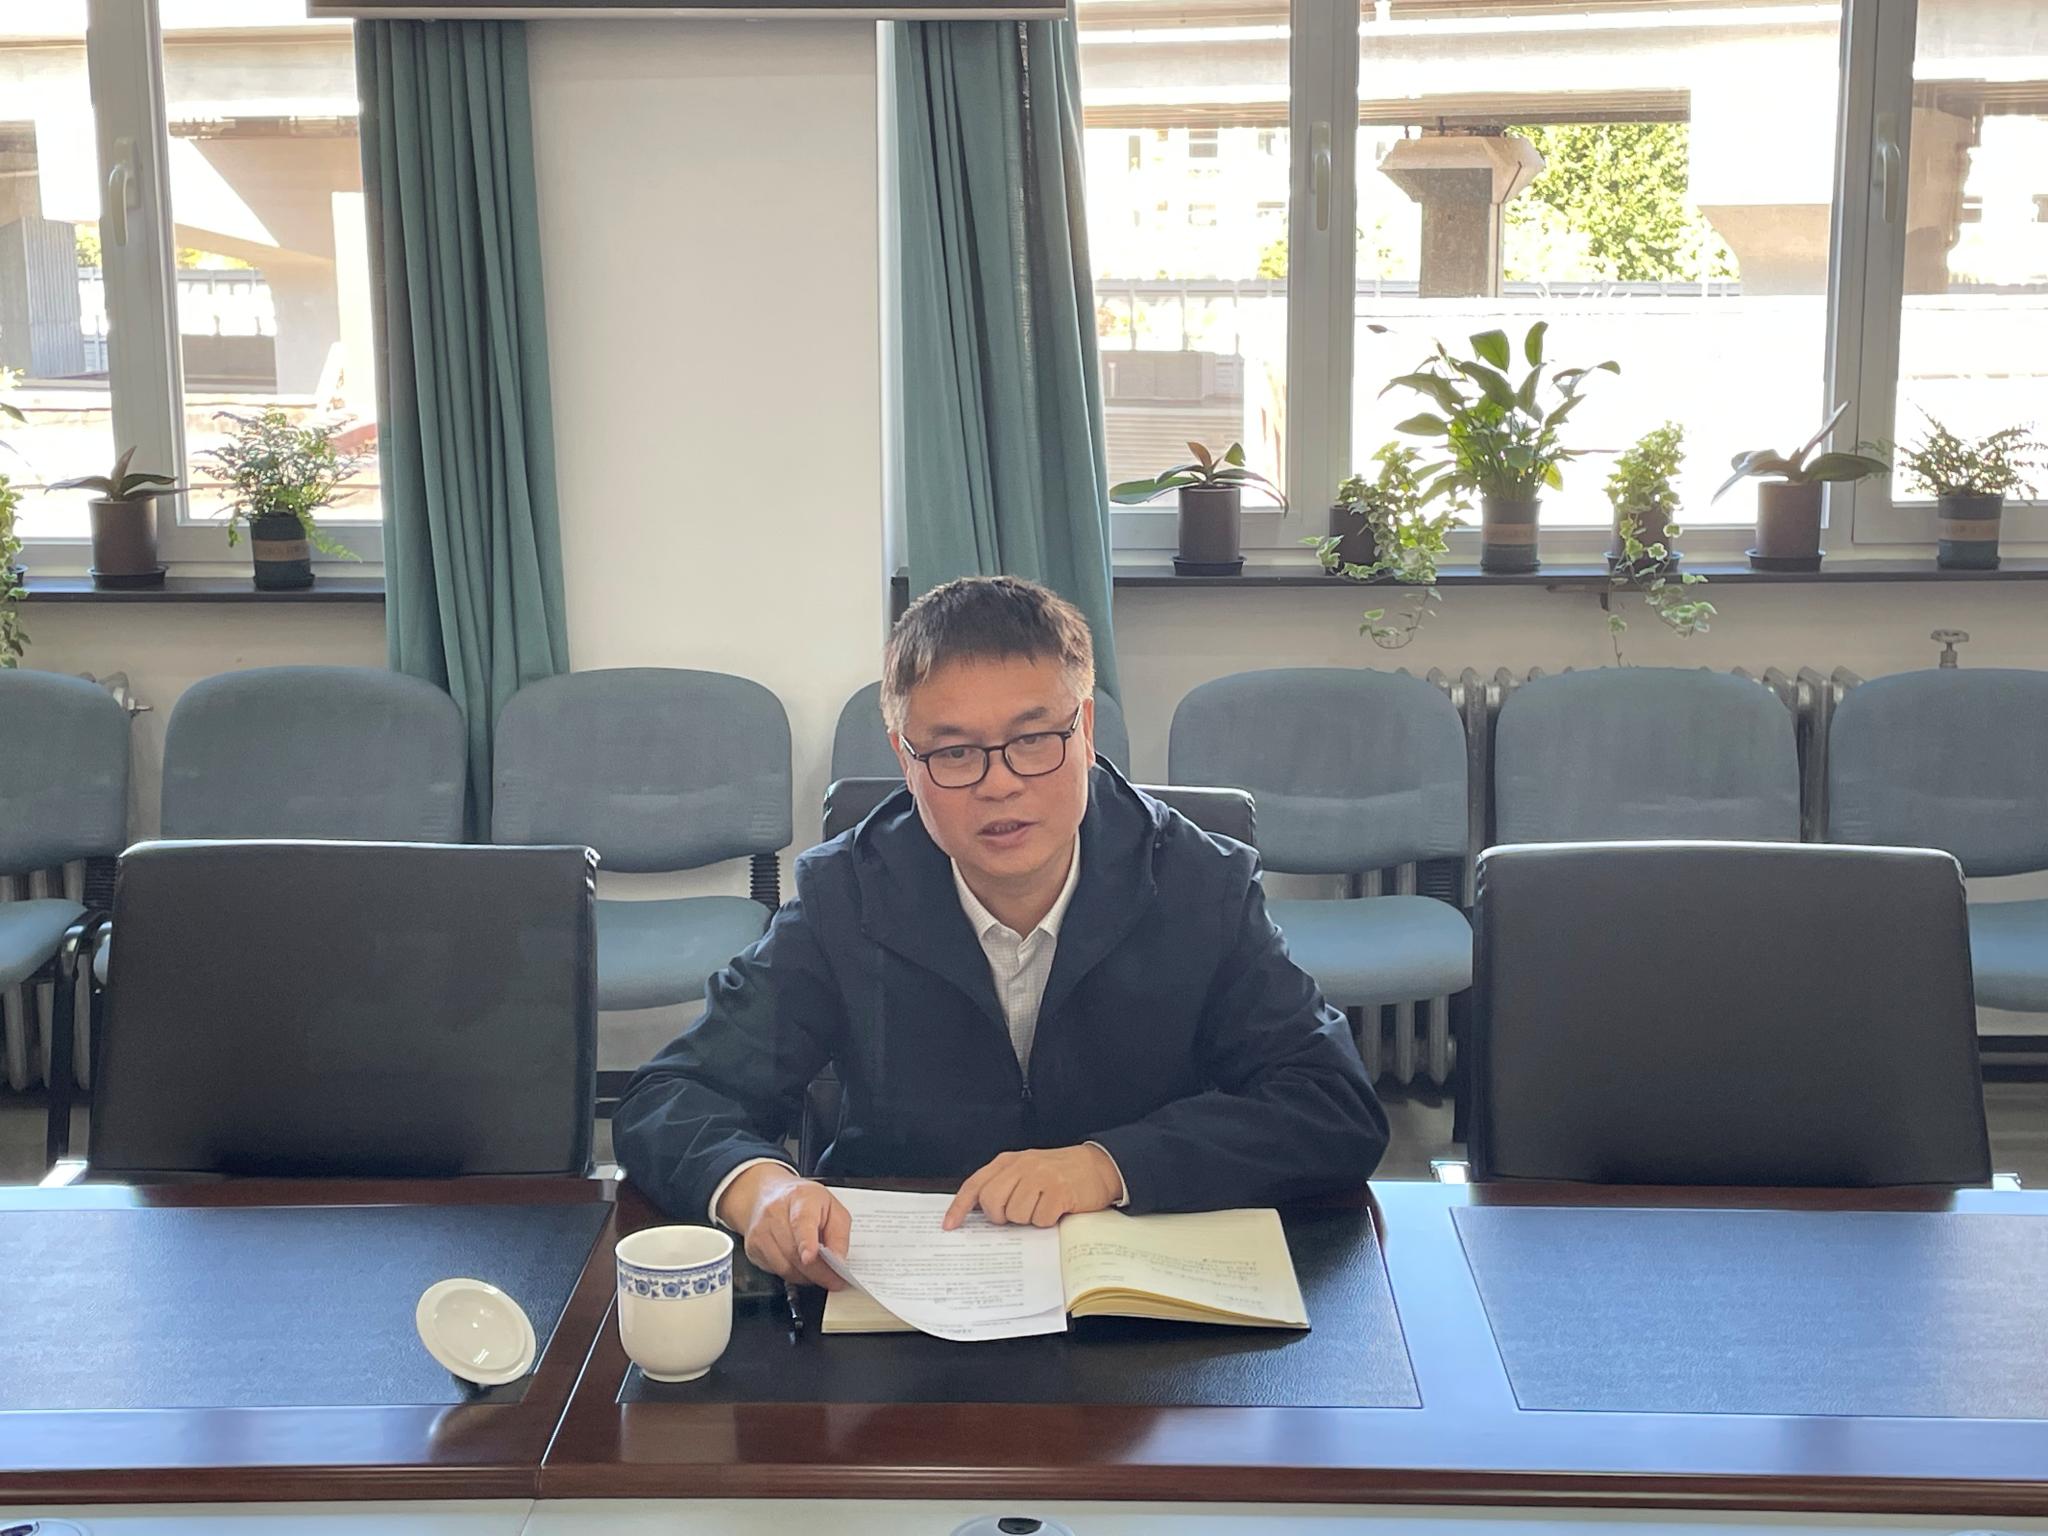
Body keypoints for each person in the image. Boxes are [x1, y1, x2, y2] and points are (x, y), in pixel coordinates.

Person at [613, 575, 1388, 1291]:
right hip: (903, 1297)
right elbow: (672, 1097)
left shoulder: (1198, 884)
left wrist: (1109, 1165)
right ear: (906, 758)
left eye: (1034, 739)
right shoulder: (846, 896)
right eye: (954, 752)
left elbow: (1331, 1107)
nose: (1000, 782)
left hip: (1140, 1297)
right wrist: (760, 1190)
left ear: (1085, 729)